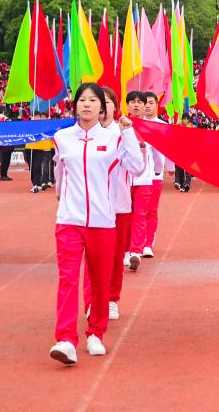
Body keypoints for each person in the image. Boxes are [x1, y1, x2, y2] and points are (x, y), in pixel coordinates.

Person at [49, 83, 144, 365]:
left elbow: (137, 166)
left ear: (102, 107)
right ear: (75, 105)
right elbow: (60, 172)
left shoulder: (114, 138)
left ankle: (95, 333)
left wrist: (128, 133)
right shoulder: (62, 138)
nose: (87, 105)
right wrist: (62, 197)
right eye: (82, 100)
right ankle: (66, 339)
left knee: (101, 282)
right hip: (69, 221)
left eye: (93, 100)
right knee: (68, 279)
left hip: (103, 222)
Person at [82, 87, 139, 321]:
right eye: (98, 101)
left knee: (115, 258)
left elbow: (137, 166)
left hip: (119, 206)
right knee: (92, 258)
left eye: (107, 102)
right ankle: (91, 300)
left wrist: (129, 134)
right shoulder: (85, 134)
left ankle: (112, 299)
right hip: (93, 207)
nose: (103, 106)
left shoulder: (122, 133)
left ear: (115, 106)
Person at [127, 91, 168, 268]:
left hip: (149, 178)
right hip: (126, 180)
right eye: (133, 102)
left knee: (145, 213)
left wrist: (161, 171)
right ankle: (128, 248)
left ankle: (143, 246)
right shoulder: (122, 125)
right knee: (127, 215)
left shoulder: (157, 127)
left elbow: (162, 153)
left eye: (142, 102)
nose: (138, 105)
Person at [0, 110, 14, 181]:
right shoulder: (3, 118)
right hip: (5, 143)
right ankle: (3, 175)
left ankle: (4, 174)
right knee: (5, 160)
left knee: (6, 160)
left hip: (5, 142)